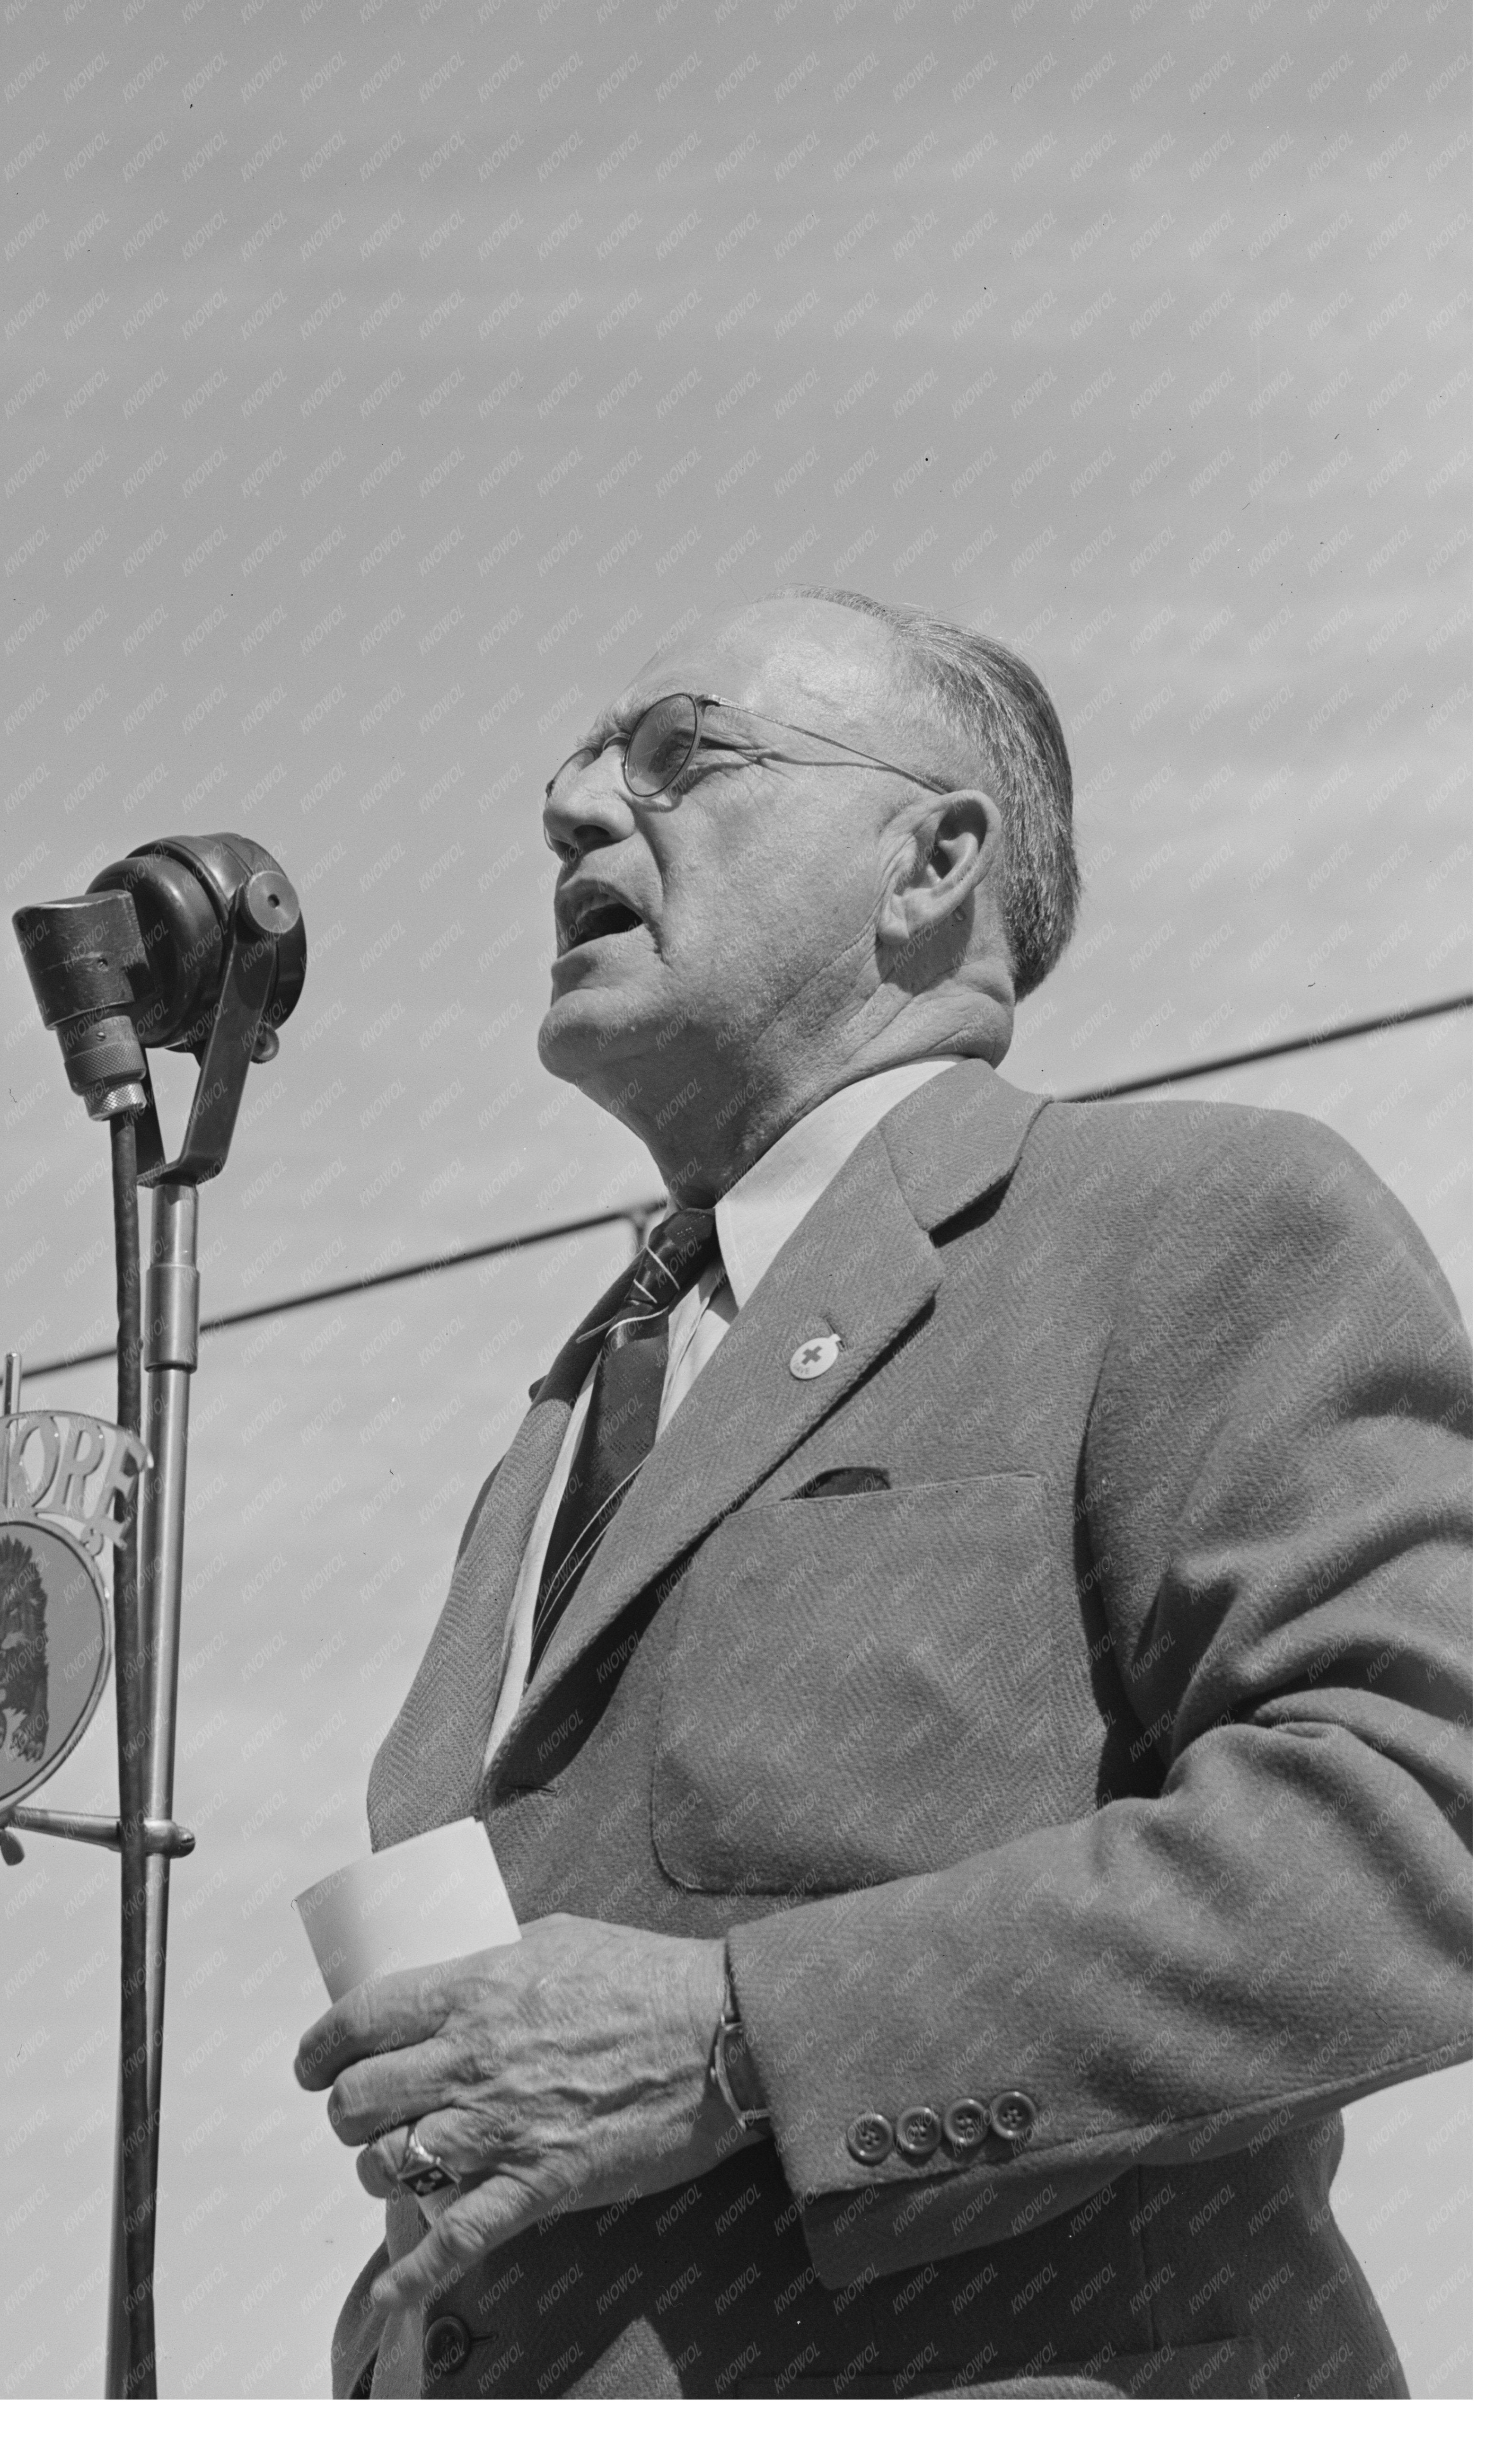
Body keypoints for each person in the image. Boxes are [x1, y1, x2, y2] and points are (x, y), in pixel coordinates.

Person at [293, 588, 1471, 2399]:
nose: (577, 805)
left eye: (679, 754)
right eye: (580, 766)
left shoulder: (1188, 1221)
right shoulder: (571, 1408)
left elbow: (1411, 1839)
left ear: (931, 861)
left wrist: (731, 2038)